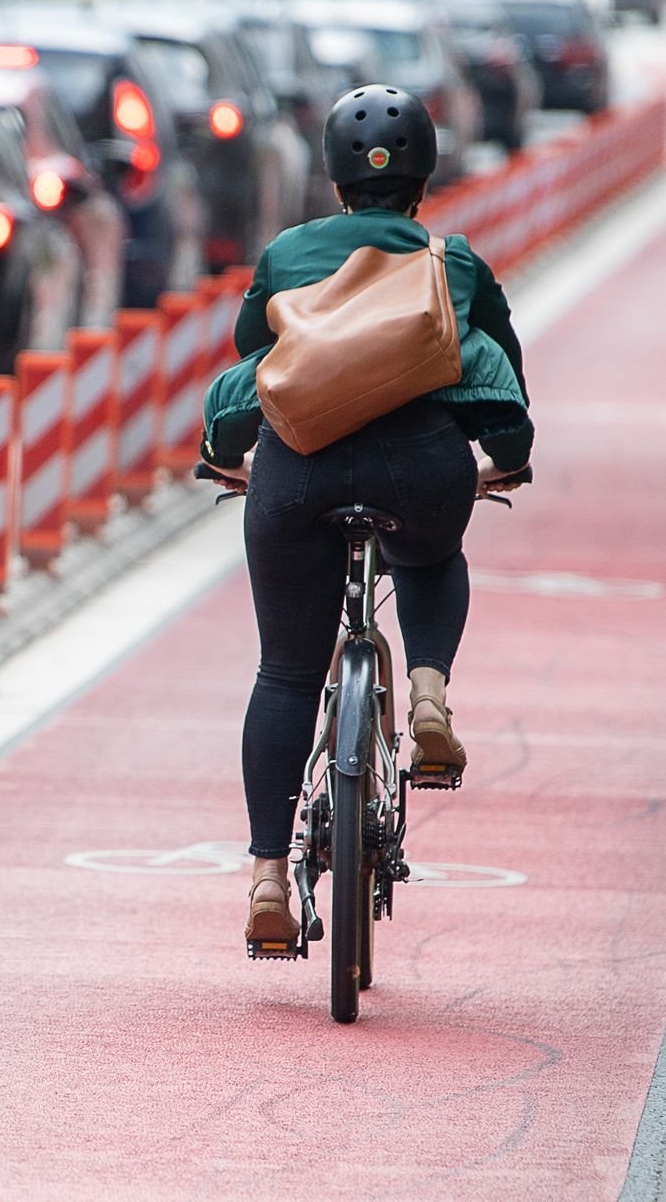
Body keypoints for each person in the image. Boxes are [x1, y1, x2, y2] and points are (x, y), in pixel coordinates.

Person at [199, 85, 533, 951]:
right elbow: (498, 372)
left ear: (333, 180)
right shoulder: (450, 261)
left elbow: (256, 369)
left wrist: (224, 451)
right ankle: (427, 696)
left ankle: (270, 878)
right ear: (423, 177)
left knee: (284, 675)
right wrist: (509, 454)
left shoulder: (283, 255)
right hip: (419, 467)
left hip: (296, 475)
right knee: (427, 556)